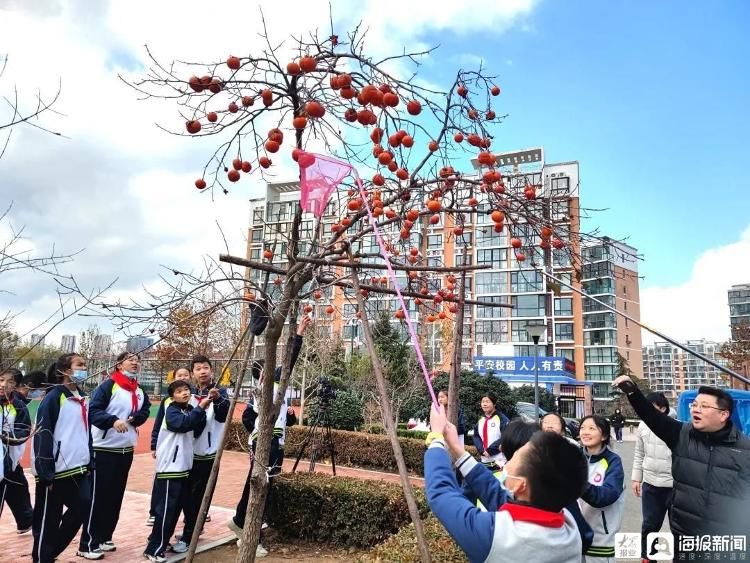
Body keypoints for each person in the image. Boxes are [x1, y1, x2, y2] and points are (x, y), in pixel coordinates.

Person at [426, 404, 589, 562]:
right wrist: (456, 448)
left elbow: (442, 493)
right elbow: (495, 493)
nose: (507, 463)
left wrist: (436, 438)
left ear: (520, 485)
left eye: (516, 456)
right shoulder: (567, 523)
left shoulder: (494, 537)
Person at [613, 376, 750, 558]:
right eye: (694, 404)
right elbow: (652, 416)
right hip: (685, 537)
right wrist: (633, 392)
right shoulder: (681, 435)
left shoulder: (745, 449)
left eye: (704, 406)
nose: (696, 409)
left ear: (724, 414)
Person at [228, 314, 311, 558]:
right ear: (262, 374)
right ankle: (247, 532)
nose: (277, 370)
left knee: (264, 484)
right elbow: (289, 360)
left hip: (276, 441)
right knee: (260, 485)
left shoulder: (277, 388)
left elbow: (288, 365)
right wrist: (299, 335)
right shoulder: (264, 388)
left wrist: (290, 417)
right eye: (270, 367)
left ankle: (240, 522)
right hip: (267, 441)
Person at [31, 354, 101, 562]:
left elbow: (85, 432)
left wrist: (89, 460)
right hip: (54, 472)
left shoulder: (82, 397)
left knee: (83, 507)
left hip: (79, 468)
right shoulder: (54, 398)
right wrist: (45, 473)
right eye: (79, 365)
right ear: (64, 371)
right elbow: (43, 435)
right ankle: (42, 557)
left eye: (86, 365)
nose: (84, 369)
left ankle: (50, 554)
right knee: (47, 520)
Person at [87, 351, 151, 553]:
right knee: (99, 496)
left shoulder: (139, 390)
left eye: (137, 360)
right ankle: (90, 541)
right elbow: (94, 412)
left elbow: (145, 410)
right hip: (104, 449)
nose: (135, 363)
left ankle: (106, 536)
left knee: (116, 495)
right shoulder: (108, 386)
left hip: (125, 450)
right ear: (119, 364)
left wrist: (136, 418)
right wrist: (113, 421)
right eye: (130, 359)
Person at [144, 379, 209, 563]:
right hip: (170, 469)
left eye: (187, 389)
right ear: (172, 396)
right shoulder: (171, 410)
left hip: (183, 468)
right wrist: (200, 409)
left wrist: (201, 411)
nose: (185, 393)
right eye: (179, 391)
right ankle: (153, 549)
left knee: (174, 511)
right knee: (165, 511)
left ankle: (161, 544)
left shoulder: (188, 410)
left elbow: (197, 429)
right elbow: (182, 425)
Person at [173, 355, 230, 553]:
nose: (203, 371)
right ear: (192, 373)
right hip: (188, 453)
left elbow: (223, 415)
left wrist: (218, 398)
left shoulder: (219, 392)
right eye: (198, 369)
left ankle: (189, 537)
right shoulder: (187, 393)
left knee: (199, 497)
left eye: (206, 368)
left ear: (212, 371)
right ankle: (192, 529)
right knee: (185, 496)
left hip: (207, 454)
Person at [147, 367, 193, 526]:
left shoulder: (192, 400)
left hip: (185, 451)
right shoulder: (168, 402)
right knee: (161, 481)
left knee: (182, 489)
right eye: (180, 375)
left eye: (186, 375)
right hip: (168, 449)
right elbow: (159, 423)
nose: (184, 377)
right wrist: (154, 444)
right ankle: (154, 512)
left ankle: (186, 516)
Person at [631, 392, 673, 563]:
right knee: (649, 526)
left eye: (651, 407)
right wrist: (636, 478)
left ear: (663, 409)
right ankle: (648, 557)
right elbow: (639, 454)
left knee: (679, 528)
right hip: (650, 484)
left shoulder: (676, 425)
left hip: (674, 486)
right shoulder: (642, 426)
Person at [577, 415, 625, 562]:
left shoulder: (613, 461)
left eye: (591, 428)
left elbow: (605, 496)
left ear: (604, 435)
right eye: (583, 428)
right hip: (575, 537)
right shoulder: (574, 457)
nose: (585, 432)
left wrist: (577, 482)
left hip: (601, 542)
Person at [0, 367, 33, 533]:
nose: (3, 385)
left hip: (9, 461)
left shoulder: (17, 406)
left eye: (10, 381)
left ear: (16, 386)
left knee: (19, 491)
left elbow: (24, 431)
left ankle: (26, 521)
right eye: (1, 380)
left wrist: (7, 436)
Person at [471, 392, 509, 472]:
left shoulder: (502, 419)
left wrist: (490, 450)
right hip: (484, 461)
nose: (484, 404)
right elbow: (476, 435)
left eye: (487, 402)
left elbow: (506, 436)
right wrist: (481, 450)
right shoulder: (481, 420)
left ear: (494, 403)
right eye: (483, 402)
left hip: (499, 461)